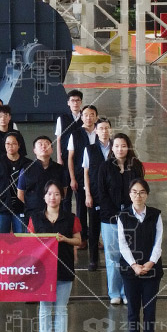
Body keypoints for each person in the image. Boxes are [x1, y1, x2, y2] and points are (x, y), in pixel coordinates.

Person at [28, 181, 82, 332]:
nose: (53, 197)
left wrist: (65, 239)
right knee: (45, 308)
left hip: (63, 266)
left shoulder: (71, 218)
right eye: (50, 194)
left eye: (57, 194)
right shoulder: (35, 218)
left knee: (61, 308)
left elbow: (78, 240)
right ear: (44, 197)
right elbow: (29, 242)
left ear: (62, 197)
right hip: (42, 270)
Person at [94, 133, 146, 306]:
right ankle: (114, 292)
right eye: (116, 146)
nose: (120, 149)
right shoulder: (105, 167)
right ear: (111, 148)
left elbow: (140, 190)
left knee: (130, 255)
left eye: (123, 146)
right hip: (110, 218)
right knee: (113, 256)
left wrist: (132, 213)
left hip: (132, 217)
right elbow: (102, 194)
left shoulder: (136, 165)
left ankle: (127, 291)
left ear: (128, 147)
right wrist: (115, 214)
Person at [118, 179, 163, 332]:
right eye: (135, 192)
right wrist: (134, 265)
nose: (138, 195)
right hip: (130, 271)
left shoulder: (156, 215)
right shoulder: (122, 216)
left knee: (150, 308)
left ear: (147, 195)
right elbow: (122, 245)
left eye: (142, 192)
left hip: (152, 270)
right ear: (130, 195)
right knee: (133, 309)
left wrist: (150, 263)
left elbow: (158, 242)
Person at [82, 117, 114, 270]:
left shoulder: (116, 147)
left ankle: (113, 259)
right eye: (101, 128)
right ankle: (93, 260)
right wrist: (88, 194)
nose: (104, 131)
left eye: (107, 128)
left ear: (110, 130)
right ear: (96, 131)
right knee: (94, 229)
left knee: (113, 227)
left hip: (112, 195)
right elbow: (86, 172)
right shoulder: (89, 149)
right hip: (95, 194)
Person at [66, 104, 99, 249]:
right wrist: (72, 178)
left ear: (96, 117)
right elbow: (70, 158)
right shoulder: (75, 134)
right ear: (81, 117)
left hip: (98, 177)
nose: (89, 117)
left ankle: (95, 239)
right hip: (80, 176)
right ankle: (82, 238)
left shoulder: (100, 132)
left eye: (92, 114)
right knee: (81, 208)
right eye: (86, 114)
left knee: (96, 209)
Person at [16, 136, 69, 218]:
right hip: (32, 213)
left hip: (55, 213)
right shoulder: (26, 169)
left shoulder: (60, 169)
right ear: (34, 150)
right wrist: (32, 204)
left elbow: (64, 191)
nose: (44, 146)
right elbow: (20, 194)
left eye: (47, 144)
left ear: (51, 150)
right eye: (40, 144)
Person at [0, 133, 32, 234]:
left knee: (21, 237)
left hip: (21, 207)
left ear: (19, 145)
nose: (10, 146)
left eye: (13, 143)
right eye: (7, 143)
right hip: (2, 206)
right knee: (2, 238)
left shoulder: (28, 164)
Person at [53, 90, 84, 169]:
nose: (75, 103)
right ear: (68, 103)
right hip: (66, 155)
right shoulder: (62, 119)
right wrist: (59, 158)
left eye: (78, 100)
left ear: (81, 102)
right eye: (72, 100)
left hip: (83, 154)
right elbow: (59, 139)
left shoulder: (85, 118)